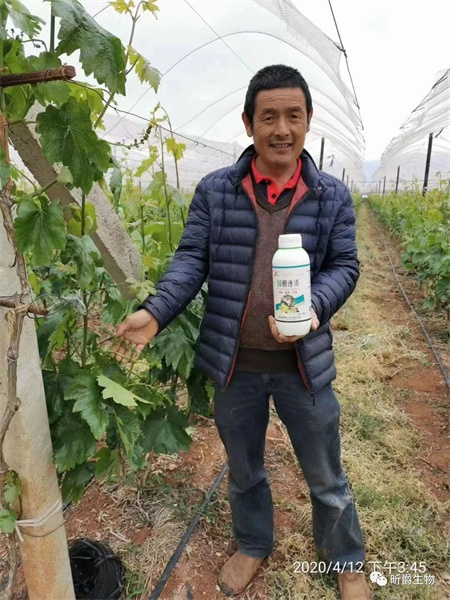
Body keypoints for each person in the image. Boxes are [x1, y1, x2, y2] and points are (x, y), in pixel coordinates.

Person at [115, 65, 371, 600]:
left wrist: (314, 308)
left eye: (293, 116)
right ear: (248, 123)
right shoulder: (217, 191)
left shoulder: (330, 196)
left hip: (304, 367)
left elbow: (345, 266)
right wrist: (157, 311)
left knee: (326, 475)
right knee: (244, 469)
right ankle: (254, 543)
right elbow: (192, 258)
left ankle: (345, 561)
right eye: (268, 116)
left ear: (308, 120)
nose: (282, 129)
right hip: (236, 366)